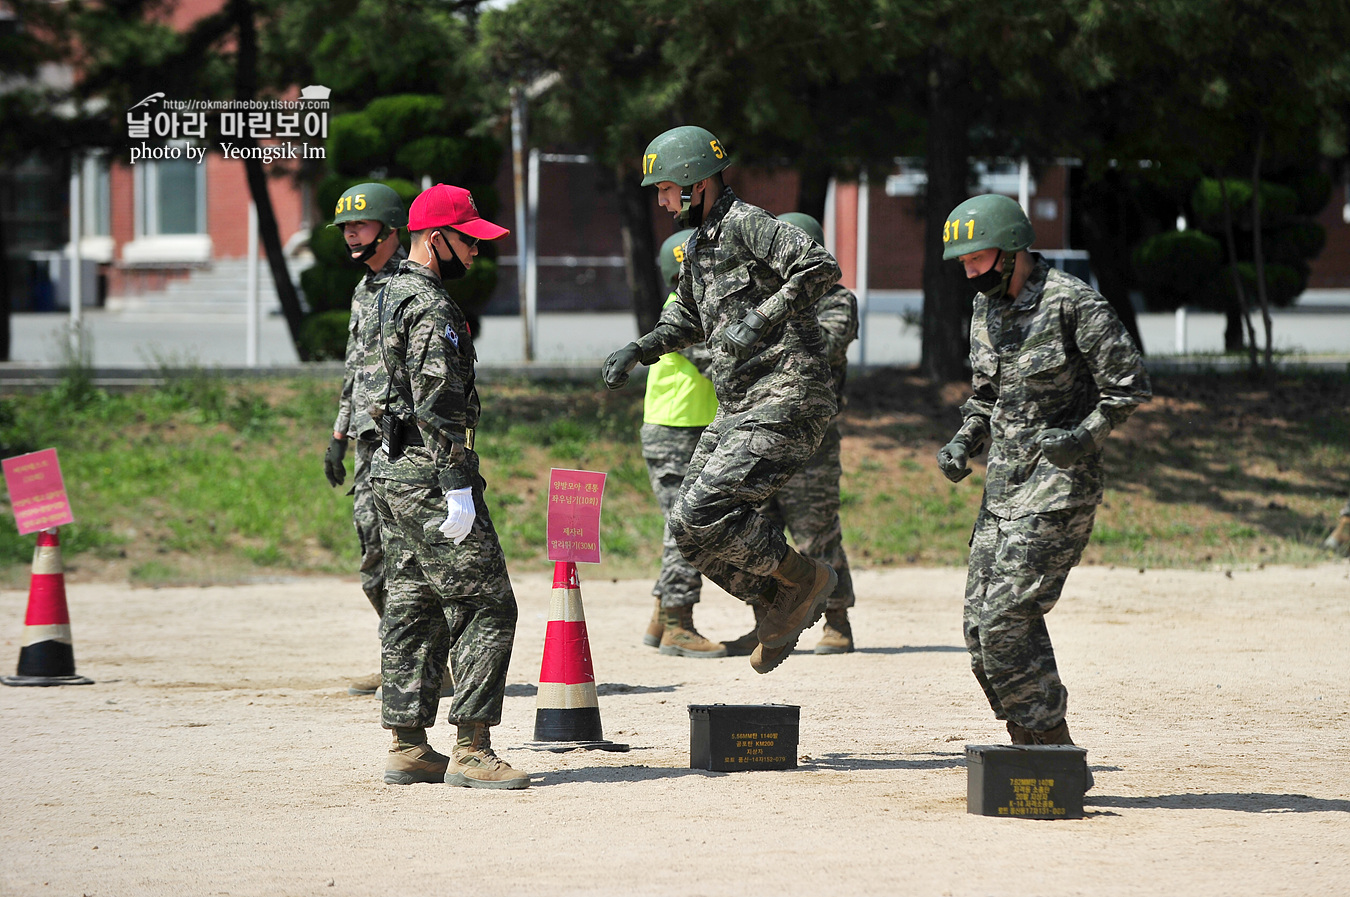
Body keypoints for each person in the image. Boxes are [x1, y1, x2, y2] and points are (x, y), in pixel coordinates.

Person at [603, 125, 841, 674]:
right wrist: (638, 349)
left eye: (664, 189)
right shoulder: (700, 245)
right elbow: (684, 317)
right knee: (688, 529)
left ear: (693, 183)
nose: (661, 201)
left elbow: (820, 266)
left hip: (787, 392)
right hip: (737, 405)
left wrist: (762, 317)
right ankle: (778, 601)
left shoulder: (747, 224)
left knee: (710, 509)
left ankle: (805, 580)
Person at [936, 193, 1150, 781]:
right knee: (979, 630)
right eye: (962, 262)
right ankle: (1028, 744)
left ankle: (1056, 753)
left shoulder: (1072, 304)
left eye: (976, 259)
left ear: (1012, 251)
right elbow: (987, 398)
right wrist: (963, 441)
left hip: (1060, 489)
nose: (969, 271)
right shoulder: (985, 311)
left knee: (1008, 617)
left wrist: (1084, 435)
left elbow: (1127, 387)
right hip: (1003, 491)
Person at [362, 183, 528, 790]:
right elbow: (437, 401)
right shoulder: (429, 306)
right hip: (430, 472)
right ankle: (473, 747)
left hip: (391, 470)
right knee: (486, 602)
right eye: (469, 240)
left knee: (413, 600)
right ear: (438, 238)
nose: (476, 253)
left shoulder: (387, 294)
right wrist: (458, 480)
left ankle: (408, 744)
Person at [726, 211, 860, 655]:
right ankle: (768, 621)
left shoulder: (837, 301)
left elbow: (827, 344)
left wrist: (772, 317)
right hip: (762, 436)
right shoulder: (759, 301)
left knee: (817, 530)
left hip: (812, 441)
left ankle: (837, 621)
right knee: (758, 531)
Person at [322, 182, 408, 696]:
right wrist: (337, 434)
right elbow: (355, 371)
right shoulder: (364, 289)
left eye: (360, 223)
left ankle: (419, 664)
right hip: (366, 444)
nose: (351, 232)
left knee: (408, 556)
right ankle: (397, 653)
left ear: (389, 228)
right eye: (345, 227)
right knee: (372, 554)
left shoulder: (413, 285)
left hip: (405, 444)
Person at [639, 228, 724, 658]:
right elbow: (716, 362)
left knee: (683, 525)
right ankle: (677, 622)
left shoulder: (698, 305)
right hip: (675, 432)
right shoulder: (682, 308)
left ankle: (661, 615)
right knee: (685, 529)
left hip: (689, 428)